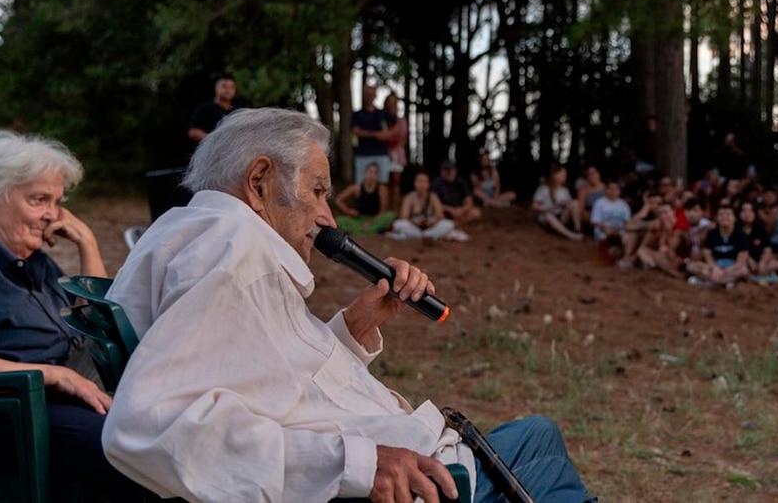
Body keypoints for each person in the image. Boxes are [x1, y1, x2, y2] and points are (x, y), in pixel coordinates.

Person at [102, 108, 595, 502]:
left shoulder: (196, 234)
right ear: (259, 183)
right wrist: (361, 465)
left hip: (405, 457)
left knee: (534, 435)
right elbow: (154, 423)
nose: (328, 218)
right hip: (415, 482)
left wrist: (355, 325)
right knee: (539, 437)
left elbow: (275, 381)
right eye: (317, 192)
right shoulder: (233, 249)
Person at [0, 131, 149, 501]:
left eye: (57, 203)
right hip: (10, 414)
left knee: (177, 431)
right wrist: (54, 375)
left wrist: (86, 240)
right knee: (142, 460)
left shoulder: (36, 261)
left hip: (65, 400)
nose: (51, 215)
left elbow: (104, 324)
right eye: (38, 199)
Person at [685, 203, 750, 288]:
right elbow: (708, 255)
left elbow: (741, 261)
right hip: (715, 267)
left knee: (743, 270)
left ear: (734, 218)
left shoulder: (741, 235)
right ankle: (724, 283)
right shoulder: (711, 234)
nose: (724, 217)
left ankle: (710, 283)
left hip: (732, 268)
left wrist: (726, 271)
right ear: (717, 218)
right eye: (721, 214)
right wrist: (715, 268)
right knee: (691, 266)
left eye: (728, 214)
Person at [392, 170, 460, 241]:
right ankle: (426, 236)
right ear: (415, 183)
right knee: (399, 224)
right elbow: (404, 216)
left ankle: (425, 236)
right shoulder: (409, 197)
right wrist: (413, 221)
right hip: (414, 228)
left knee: (449, 224)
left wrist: (433, 220)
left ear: (428, 184)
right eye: (419, 181)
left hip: (430, 227)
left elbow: (440, 215)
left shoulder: (433, 197)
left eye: (425, 182)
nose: (422, 184)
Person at [351, 85, 397, 186]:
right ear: (364, 95)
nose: (370, 96)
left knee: (382, 185)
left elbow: (397, 126)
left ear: (375, 95)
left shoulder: (382, 113)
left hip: (381, 154)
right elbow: (356, 131)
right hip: (363, 154)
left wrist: (387, 135)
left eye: (372, 94)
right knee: (361, 184)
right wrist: (375, 135)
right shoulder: (358, 114)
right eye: (368, 94)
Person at [333, 161, 395, 235]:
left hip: (375, 219)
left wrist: (370, 222)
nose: (372, 175)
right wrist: (348, 211)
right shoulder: (357, 188)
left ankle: (361, 231)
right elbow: (338, 199)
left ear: (378, 175)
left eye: (375, 173)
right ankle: (368, 231)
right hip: (359, 219)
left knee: (390, 215)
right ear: (365, 173)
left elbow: (382, 212)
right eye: (370, 172)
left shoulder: (382, 189)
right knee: (340, 220)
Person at [532, 164, 584, 242]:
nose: (564, 177)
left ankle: (577, 229)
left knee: (575, 203)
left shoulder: (565, 190)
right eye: (562, 175)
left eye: (565, 175)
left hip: (561, 216)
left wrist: (566, 203)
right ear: (555, 176)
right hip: (549, 218)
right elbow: (534, 206)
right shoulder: (544, 189)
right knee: (548, 216)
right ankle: (570, 235)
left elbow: (569, 205)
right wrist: (547, 208)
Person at [187, 73, 236, 144]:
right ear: (216, 87)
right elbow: (193, 131)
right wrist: (212, 140)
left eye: (232, 87)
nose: (228, 90)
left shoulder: (235, 112)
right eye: (224, 87)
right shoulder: (205, 109)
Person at [431, 160, 481, 226]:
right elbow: (434, 202)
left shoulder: (461, 182)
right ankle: (451, 224)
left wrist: (462, 210)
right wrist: (450, 210)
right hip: (444, 211)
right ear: (441, 171)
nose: (449, 172)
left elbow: (469, 200)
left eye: (451, 169)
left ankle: (452, 224)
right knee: (436, 215)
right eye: (446, 170)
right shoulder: (436, 183)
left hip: (459, 211)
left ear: (455, 170)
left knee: (476, 212)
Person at [382, 93, 408, 213]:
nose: (392, 104)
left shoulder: (401, 121)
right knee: (385, 182)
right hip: (384, 154)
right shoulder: (382, 120)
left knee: (396, 183)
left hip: (397, 154)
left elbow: (403, 138)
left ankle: (396, 210)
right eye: (390, 101)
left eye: (394, 102)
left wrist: (395, 149)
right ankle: (384, 210)